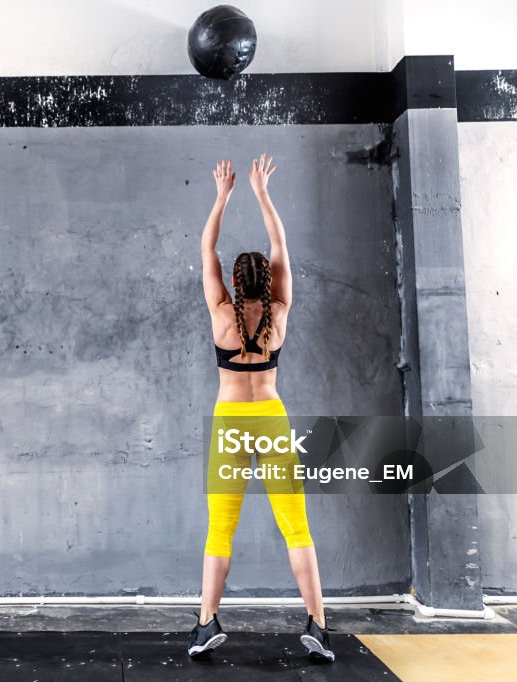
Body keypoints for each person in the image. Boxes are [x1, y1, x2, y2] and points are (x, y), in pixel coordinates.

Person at [186, 155, 335, 663]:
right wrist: (262, 192)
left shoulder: (222, 313)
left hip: (231, 422)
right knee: (297, 526)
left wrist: (222, 195)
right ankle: (319, 624)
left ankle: (205, 624)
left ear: (234, 280)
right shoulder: (281, 313)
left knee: (219, 531)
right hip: (271, 417)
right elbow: (281, 246)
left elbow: (205, 247)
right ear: (267, 283)